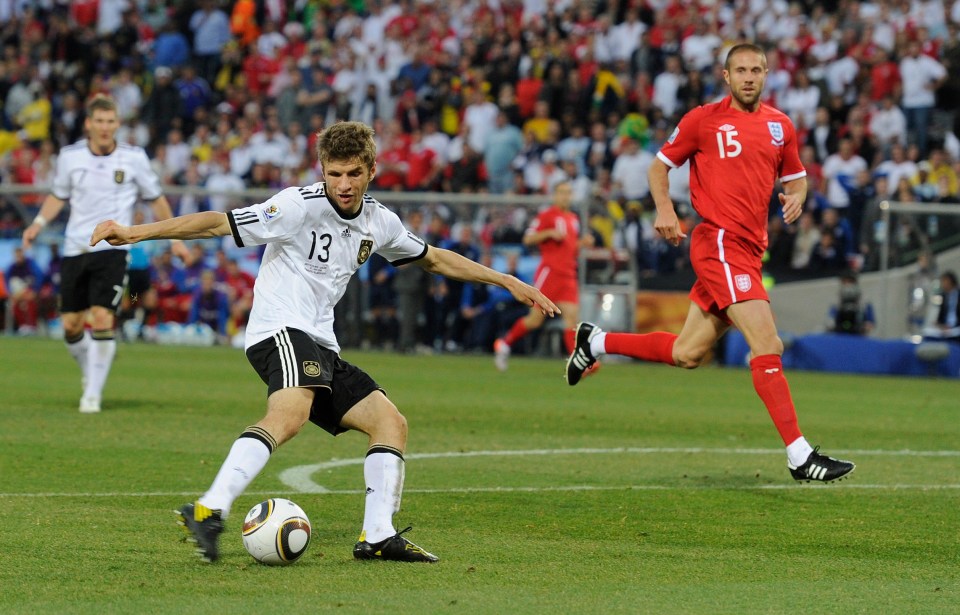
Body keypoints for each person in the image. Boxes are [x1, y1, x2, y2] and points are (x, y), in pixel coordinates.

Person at [89, 121, 559, 564]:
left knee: (389, 423)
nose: (345, 183)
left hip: (319, 342)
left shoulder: (380, 222)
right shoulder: (296, 205)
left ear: (372, 170)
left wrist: (508, 281)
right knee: (289, 416)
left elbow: (433, 259)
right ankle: (210, 509)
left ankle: (377, 535)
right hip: (280, 329)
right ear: (323, 171)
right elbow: (217, 223)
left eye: (354, 173)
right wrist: (133, 232)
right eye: (335, 173)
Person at [564, 44, 856, 484]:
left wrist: (796, 199)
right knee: (767, 342)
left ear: (766, 73)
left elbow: (796, 178)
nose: (749, 77)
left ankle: (596, 342)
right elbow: (659, 168)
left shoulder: (781, 126)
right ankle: (800, 455)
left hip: (749, 251)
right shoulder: (703, 120)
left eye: (756, 70)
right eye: (740, 70)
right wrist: (664, 210)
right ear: (726, 76)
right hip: (718, 242)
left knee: (688, 354)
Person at [21, 94, 189, 413]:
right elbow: (58, 196)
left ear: (117, 124)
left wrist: (174, 239)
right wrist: (37, 224)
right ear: (88, 123)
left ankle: (93, 394)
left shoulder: (134, 158)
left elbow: (156, 199)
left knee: (101, 317)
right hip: (75, 247)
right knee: (71, 324)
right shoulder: (70, 157)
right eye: (99, 121)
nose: (104, 127)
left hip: (114, 248)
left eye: (110, 121)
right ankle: (92, 374)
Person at [494, 181, 594, 371]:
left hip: (568, 275)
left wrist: (582, 243)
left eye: (568, 193)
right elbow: (528, 238)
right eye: (562, 192)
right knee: (535, 320)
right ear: (555, 195)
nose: (566, 196)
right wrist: (548, 233)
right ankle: (504, 344)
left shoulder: (573, 218)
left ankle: (578, 363)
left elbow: (569, 249)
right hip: (550, 273)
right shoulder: (546, 216)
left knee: (572, 319)